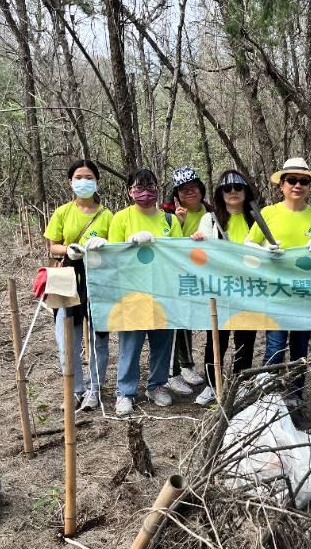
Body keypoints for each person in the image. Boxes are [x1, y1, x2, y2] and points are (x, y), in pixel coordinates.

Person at [245, 157, 311, 430]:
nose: (297, 185)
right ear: (281, 185)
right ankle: (269, 402)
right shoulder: (268, 213)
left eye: (303, 181)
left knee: (300, 349)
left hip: (304, 294)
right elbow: (248, 245)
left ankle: (294, 400)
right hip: (276, 293)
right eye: (291, 180)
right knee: (274, 346)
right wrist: (264, 251)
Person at [108, 168, 183, 416]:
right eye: (139, 187)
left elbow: (178, 253)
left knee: (162, 341)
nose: (145, 192)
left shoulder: (169, 220)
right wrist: (131, 244)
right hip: (132, 291)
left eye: (150, 186)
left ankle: (157, 385)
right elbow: (113, 253)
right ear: (130, 192)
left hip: (163, 289)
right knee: (131, 343)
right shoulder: (120, 218)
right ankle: (125, 392)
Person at [44, 159, 113, 410]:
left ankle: (95, 388)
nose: (84, 182)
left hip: (98, 279)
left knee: (98, 336)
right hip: (67, 278)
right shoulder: (62, 212)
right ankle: (74, 389)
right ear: (70, 182)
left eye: (89, 177)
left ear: (97, 182)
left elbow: (115, 244)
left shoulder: (107, 215)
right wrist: (69, 250)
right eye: (78, 178)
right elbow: (52, 245)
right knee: (67, 335)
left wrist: (103, 246)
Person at [191, 170, 258, 406]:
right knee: (216, 338)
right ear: (220, 192)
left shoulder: (256, 218)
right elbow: (203, 254)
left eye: (237, 188)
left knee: (246, 338)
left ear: (245, 190)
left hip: (248, 288)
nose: (232, 193)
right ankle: (212, 384)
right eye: (227, 189)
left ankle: (240, 383)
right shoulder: (209, 219)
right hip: (219, 288)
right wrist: (199, 240)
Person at [164, 166, 207, 397]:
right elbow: (168, 243)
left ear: (201, 189)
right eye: (183, 188)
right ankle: (174, 372)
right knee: (177, 320)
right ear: (176, 193)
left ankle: (188, 363)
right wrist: (179, 223)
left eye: (192, 187)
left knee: (190, 319)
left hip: (203, 273)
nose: (189, 192)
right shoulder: (168, 214)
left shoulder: (211, 211)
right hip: (177, 274)